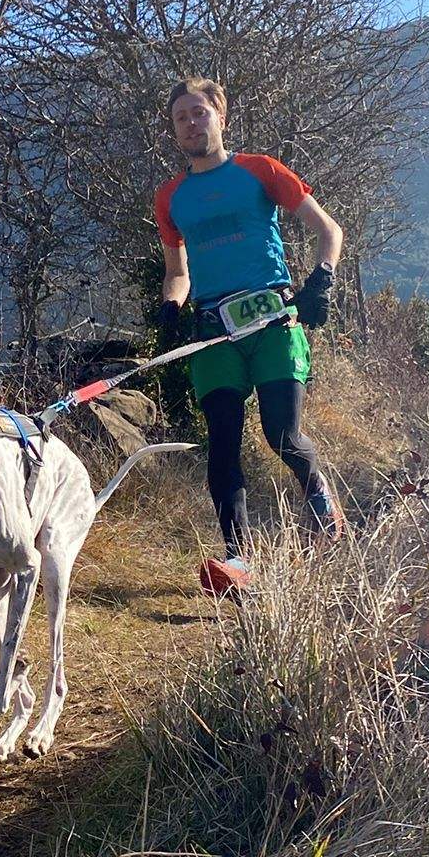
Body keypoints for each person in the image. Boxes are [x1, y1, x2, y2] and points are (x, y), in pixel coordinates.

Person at [153, 76, 344, 591]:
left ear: (220, 117)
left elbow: (329, 230)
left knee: (283, 434)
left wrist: (321, 280)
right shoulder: (170, 197)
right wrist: (171, 306)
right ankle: (239, 561)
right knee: (222, 445)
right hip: (215, 331)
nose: (191, 124)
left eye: (199, 113)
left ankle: (324, 507)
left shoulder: (260, 170)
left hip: (274, 321)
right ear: (174, 131)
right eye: (180, 118)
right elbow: (177, 271)